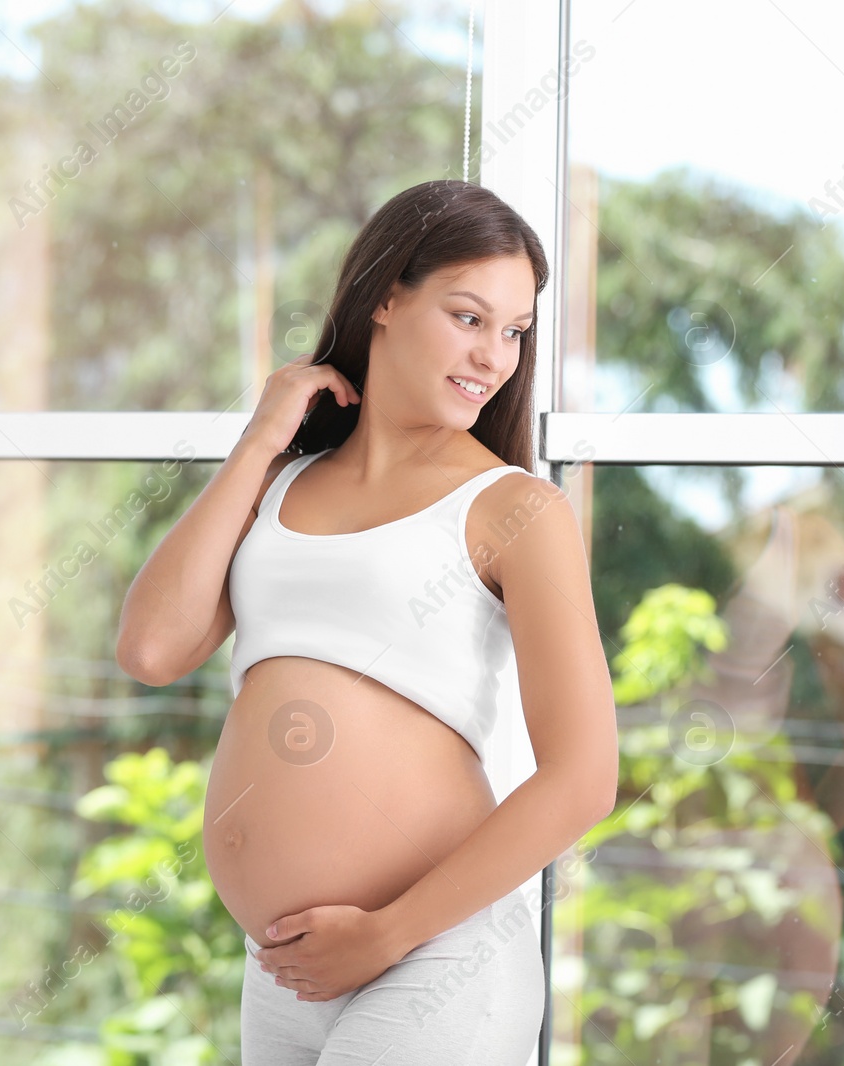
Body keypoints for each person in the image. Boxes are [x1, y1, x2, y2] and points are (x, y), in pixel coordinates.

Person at [115, 179, 619, 1065]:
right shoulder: (278, 486)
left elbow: (583, 778)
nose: (494, 356)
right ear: (387, 295)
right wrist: (261, 438)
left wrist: (387, 933)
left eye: (514, 330)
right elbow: (152, 648)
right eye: (469, 317)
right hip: (284, 968)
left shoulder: (516, 509)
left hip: (435, 958)